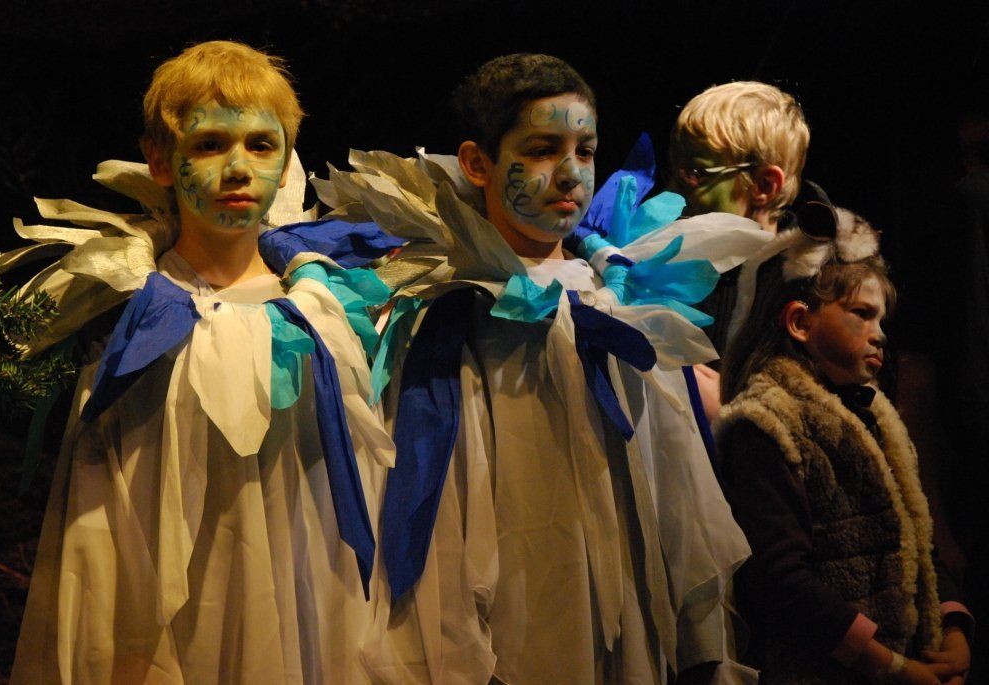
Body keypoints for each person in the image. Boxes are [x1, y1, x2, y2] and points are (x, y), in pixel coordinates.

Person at [314, 53, 755, 684]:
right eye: (543, 150)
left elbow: (675, 482)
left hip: (620, 594)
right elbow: (433, 492)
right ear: (477, 163)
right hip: (515, 599)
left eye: (585, 150)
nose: (571, 173)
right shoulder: (450, 311)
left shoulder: (622, 302)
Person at [7, 40, 394, 683]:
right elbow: (104, 504)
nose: (239, 168)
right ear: (160, 160)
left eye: (261, 146)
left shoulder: (327, 317)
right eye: (210, 144)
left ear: (286, 163)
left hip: (299, 599)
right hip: (169, 611)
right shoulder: (134, 321)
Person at [714, 202, 973, 684]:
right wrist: (887, 665)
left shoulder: (874, 416)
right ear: (800, 322)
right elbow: (780, 580)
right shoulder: (765, 423)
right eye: (862, 315)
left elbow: (918, 541)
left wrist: (953, 632)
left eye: (882, 320)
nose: (880, 336)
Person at [667, 81, 812, 420]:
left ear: (764, 185)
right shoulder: (671, 265)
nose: (673, 189)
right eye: (675, 170)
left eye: (695, 173)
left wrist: (729, 414)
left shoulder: (810, 289)